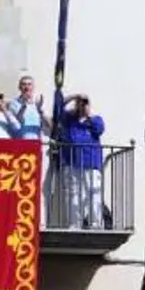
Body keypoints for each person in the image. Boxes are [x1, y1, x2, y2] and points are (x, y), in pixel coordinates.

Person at [54, 92, 107, 229]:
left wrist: (88, 113)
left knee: (93, 191)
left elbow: (99, 130)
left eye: (85, 103)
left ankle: (95, 223)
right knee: (73, 193)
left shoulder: (95, 119)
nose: (82, 105)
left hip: (90, 161)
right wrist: (75, 96)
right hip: (72, 161)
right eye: (80, 103)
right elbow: (58, 106)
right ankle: (74, 223)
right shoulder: (69, 119)